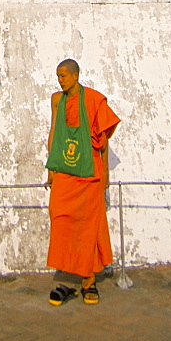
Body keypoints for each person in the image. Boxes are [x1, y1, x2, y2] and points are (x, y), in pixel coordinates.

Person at [45, 58, 120, 306]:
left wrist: (106, 173)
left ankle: (88, 281)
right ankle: (67, 277)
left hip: (89, 169)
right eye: (58, 76)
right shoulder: (57, 100)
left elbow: (104, 139)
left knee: (89, 224)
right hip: (65, 169)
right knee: (60, 216)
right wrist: (51, 167)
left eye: (64, 75)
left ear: (76, 76)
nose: (60, 80)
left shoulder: (93, 99)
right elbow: (54, 131)